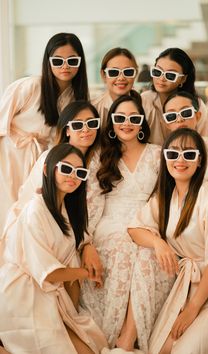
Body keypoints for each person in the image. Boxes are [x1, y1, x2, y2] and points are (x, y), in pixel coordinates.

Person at [128, 128, 208, 354]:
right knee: (160, 348)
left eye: (188, 154)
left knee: (186, 350)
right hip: (188, 284)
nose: (180, 160)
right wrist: (158, 243)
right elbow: (135, 229)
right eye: (173, 153)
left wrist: (193, 308)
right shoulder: (165, 198)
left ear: (199, 161)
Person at [80, 95, 175, 353]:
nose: (126, 123)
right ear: (111, 123)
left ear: (142, 122)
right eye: (120, 118)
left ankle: (128, 338)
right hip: (109, 223)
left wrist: (152, 229)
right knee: (122, 248)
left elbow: (166, 196)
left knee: (148, 255)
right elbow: (90, 202)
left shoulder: (157, 154)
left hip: (147, 222)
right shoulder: (101, 156)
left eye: (134, 118)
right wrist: (86, 241)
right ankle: (114, 337)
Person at [0, 143, 108, 353]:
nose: (73, 176)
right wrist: (87, 273)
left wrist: (88, 247)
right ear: (47, 169)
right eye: (66, 169)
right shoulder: (35, 212)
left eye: (80, 172)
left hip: (49, 293)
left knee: (92, 347)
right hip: (24, 294)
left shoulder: (66, 210)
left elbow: (79, 238)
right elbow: (49, 273)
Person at [2, 100, 102, 281]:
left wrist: (87, 242)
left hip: (77, 235)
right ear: (67, 130)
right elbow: (32, 204)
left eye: (92, 123)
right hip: (45, 236)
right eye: (78, 124)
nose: (86, 129)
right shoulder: (50, 160)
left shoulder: (99, 164)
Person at [0, 32, 89, 234]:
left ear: (80, 62)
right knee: (5, 211)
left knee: (28, 213)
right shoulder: (30, 86)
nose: (65, 66)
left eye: (72, 60)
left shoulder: (76, 98)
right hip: (9, 156)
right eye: (57, 60)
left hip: (39, 160)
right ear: (48, 61)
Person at [161, 91, 208, 205]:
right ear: (166, 123)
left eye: (186, 113)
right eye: (171, 116)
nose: (179, 119)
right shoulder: (162, 154)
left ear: (197, 116)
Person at [141, 47, 208, 145]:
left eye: (170, 75)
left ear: (183, 79)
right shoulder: (144, 100)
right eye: (157, 72)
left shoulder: (196, 104)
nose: (161, 78)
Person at [92, 47, 140, 129]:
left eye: (128, 72)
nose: (121, 78)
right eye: (113, 72)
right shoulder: (93, 109)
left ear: (135, 74)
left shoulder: (147, 106)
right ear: (103, 75)